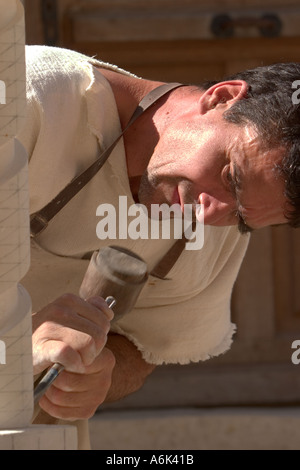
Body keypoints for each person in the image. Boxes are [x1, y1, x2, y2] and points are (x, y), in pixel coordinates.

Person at [18, 45, 299, 449]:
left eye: (240, 216)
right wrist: (17, 338)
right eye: (230, 177)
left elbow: (144, 345)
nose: (209, 215)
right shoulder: (33, 99)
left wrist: (103, 372)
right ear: (220, 97)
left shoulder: (213, 230)